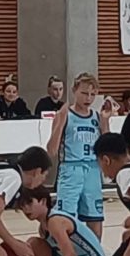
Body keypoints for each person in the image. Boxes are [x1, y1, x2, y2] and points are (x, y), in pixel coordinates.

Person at [47, 72, 113, 239]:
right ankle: (65, 252)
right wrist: (60, 122)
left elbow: (107, 149)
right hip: (71, 168)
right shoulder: (65, 115)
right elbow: (51, 150)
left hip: (93, 170)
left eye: (92, 94)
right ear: (74, 90)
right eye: (84, 93)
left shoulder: (97, 116)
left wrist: (105, 121)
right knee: (65, 218)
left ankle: (94, 253)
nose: (88, 98)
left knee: (95, 217)